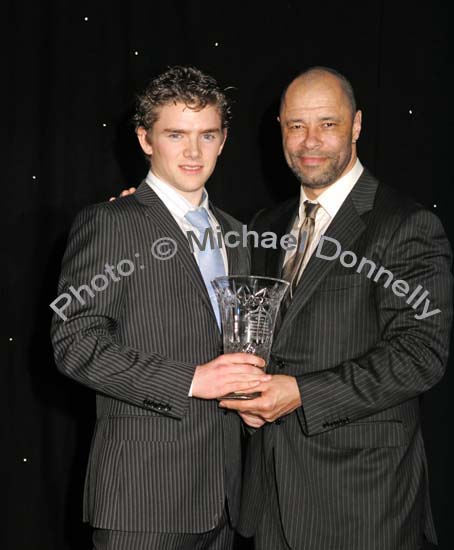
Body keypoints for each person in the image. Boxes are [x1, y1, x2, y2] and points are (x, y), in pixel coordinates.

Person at [217, 67, 453, 550]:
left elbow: (420, 353)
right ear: (280, 128)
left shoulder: (406, 225)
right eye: (296, 126)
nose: (310, 141)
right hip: (270, 501)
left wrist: (301, 393)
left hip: (363, 502)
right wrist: (145, 213)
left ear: (357, 125)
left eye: (328, 124)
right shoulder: (268, 223)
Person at [50, 66, 271, 550]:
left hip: (225, 496)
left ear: (223, 139)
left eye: (206, 135)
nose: (193, 152)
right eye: (176, 134)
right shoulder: (110, 223)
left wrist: (249, 397)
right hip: (142, 497)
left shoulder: (235, 233)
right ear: (146, 139)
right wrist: (193, 380)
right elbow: (73, 342)